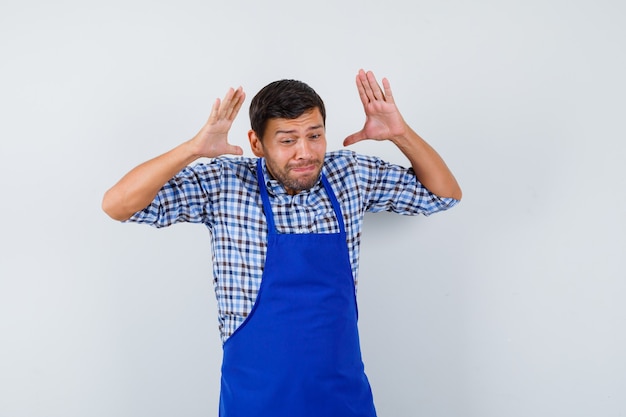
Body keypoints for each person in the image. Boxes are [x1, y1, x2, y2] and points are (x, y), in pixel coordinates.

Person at [102, 69, 462, 417]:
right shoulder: (224, 184)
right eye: (288, 140)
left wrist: (401, 134)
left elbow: (445, 195)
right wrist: (192, 150)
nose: (305, 152)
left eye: (315, 135)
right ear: (257, 143)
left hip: (342, 401)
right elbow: (117, 205)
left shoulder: (351, 175)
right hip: (256, 403)